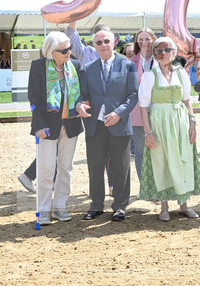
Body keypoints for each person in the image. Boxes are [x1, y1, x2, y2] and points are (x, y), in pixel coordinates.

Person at [76, 27, 139, 222]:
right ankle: (96, 205)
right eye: (99, 42)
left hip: (119, 125)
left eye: (106, 41)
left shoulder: (127, 65)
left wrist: (119, 113)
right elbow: (83, 95)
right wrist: (80, 104)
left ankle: (119, 206)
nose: (103, 45)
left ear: (114, 42)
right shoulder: (88, 69)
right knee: (95, 168)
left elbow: (133, 94)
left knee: (121, 167)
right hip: (95, 126)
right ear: (94, 46)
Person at [139, 37, 200, 221]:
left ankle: (184, 204)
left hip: (180, 120)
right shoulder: (150, 75)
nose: (164, 54)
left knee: (183, 158)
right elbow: (143, 106)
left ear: (174, 52)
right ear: (155, 54)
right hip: (159, 120)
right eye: (159, 51)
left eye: (167, 50)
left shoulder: (181, 73)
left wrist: (192, 122)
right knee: (162, 160)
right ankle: (164, 207)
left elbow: (187, 101)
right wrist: (147, 132)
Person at [28, 31, 83, 225]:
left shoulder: (76, 65)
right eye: (64, 50)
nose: (69, 52)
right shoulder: (38, 66)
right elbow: (33, 98)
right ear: (52, 52)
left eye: (70, 48)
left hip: (71, 124)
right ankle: (43, 209)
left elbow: (81, 94)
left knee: (65, 168)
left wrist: (81, 105)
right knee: (46, 169)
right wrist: (39, 125)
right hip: (46, 126)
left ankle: (60, 206)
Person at [128, 28, 158, 182]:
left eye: (147, 39)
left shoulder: (162, 60)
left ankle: (159, 185)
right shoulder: (130, 63)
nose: (144, 42)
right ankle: (144, 185)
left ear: (154, 40)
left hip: (159, 111)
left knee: (159, 150)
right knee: (140, 151)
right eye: (141, 39)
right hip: (137, 113)